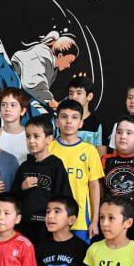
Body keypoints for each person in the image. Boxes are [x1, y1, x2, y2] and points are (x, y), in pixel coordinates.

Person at [50, 99, 104, 241]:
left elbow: (94, 186)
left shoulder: (89, 150)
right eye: (64, 117)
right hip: (53, 218)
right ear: (57, 122)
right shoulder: (49, 148)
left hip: (81, 220)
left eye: (74, 117)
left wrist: (94, 220)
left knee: (79, 254)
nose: (69, 121)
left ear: (80, 123)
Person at [13, 114, 71, 243]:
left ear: (49, 139)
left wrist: (58, 222)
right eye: (28, 136)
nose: (31, 141)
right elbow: (13, 197)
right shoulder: (24, 166)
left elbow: (64, 197)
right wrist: (22, 187)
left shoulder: (56, 165)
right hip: (24, 225)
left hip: (47, 226)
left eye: (36, 136)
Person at [102, 115, 134, 241]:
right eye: (119, 132)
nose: (123, 136)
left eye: (129, 133)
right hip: (108, 227)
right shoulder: (105, 160)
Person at [67, 74, 106, 152]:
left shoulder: (97, 124)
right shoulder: (62, 121)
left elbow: (101, 156)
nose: (74, 97)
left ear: (89, 96)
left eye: (79, 93)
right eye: (71, 93)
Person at [0, 87, 32, 164]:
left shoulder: (30, 136)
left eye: (13, 105)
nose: (7, 109)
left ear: (22, 110)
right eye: (4, 105)